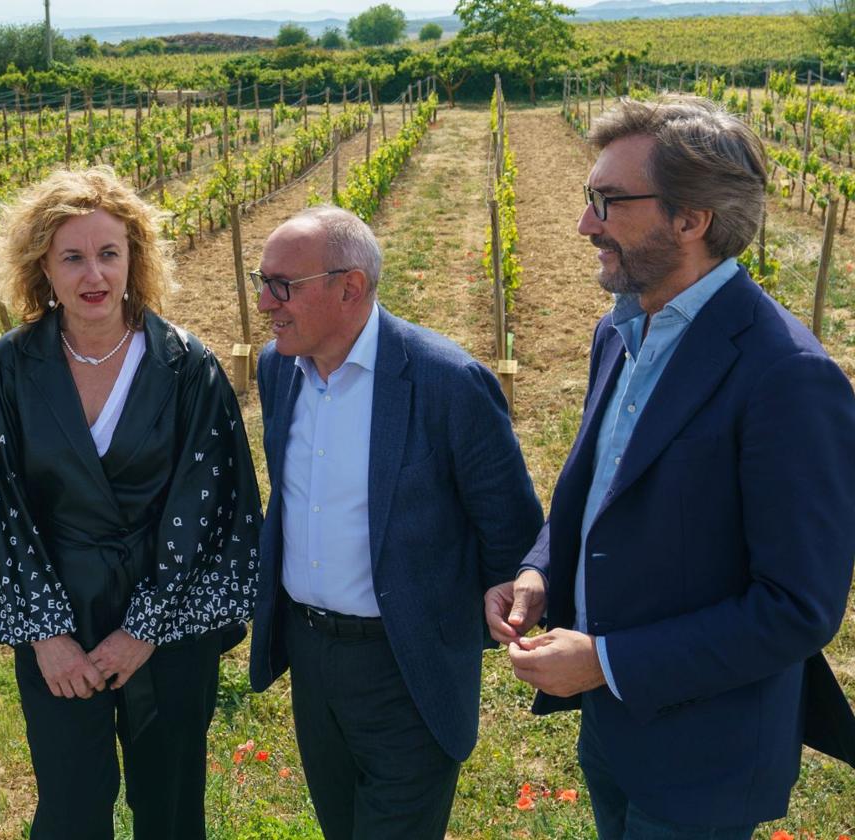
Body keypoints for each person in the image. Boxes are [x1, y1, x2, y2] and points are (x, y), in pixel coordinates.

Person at [485, 96, 855, 840]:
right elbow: (595, 492)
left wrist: (606, 661)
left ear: (693, 221)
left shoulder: (786, 376)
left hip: (705, 756)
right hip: (616, 731)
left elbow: (798, 608)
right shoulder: (621, 329)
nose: (587, 223)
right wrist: (540, 572)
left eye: (609, 202)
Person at [0, 166, 261, 840]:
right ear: (43, 269)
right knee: (70, 808)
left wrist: (144, 629)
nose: (95, 274)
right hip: (56, 619)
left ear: (134, 260)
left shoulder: (189, 368)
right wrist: (47, 635)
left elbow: (211, 511)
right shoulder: (9, 368)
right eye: (73, 257)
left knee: (171, 808)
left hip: (170, 623)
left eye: (109, 253)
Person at [248, 205, 543, 840]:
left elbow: (512, 528)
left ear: (348, 287)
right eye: (262, 281)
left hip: (406, 666)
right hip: (312, 658)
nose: (266, 303)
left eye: (283, 286)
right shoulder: (279, 371)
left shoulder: (447, 382)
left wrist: (486, 610)